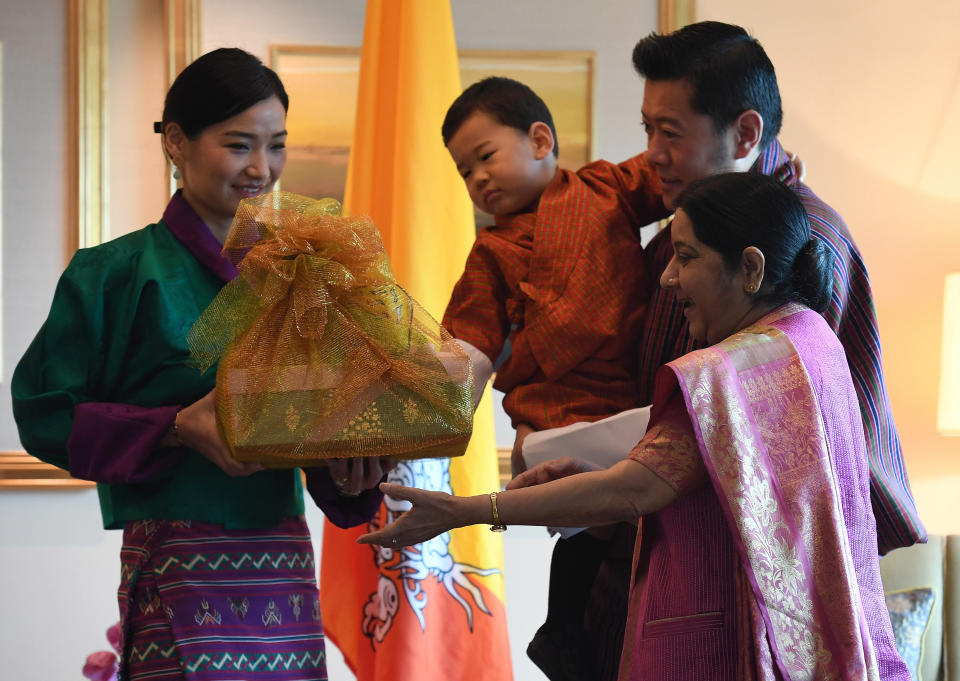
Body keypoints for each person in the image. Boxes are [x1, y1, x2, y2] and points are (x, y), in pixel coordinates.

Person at [358, 172, 911, 681]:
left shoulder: (725, 370)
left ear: (750, 268)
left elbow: (632, 490)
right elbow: (710, 483)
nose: (668, 279)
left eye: (686, 257)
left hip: (729, 652)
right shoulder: (811, 339)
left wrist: (461, 511)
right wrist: (596, 474)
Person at [11, 48, 390, 681]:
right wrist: (177, 427)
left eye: (277, 146)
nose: (261, 169)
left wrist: (352, 469)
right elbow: (46, 415)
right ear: (178, 143)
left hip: (281, 558)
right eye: (240, 145)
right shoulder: (113, 273)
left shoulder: (304, 274)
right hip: (176, 554)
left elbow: (325, 419)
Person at [439, 76, 668, 677]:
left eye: (484, 157)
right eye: (465, 172)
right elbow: (470, 340)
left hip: (625, 399)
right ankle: (563, 628)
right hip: (551, 413)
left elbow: (677, 172)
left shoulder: (606, 188)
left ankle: (574, 631)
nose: (478, 180)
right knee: (578, 523)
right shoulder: (489, 252)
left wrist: (760, 170)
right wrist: (438, 388)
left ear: (541, 139)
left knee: (624, 526)